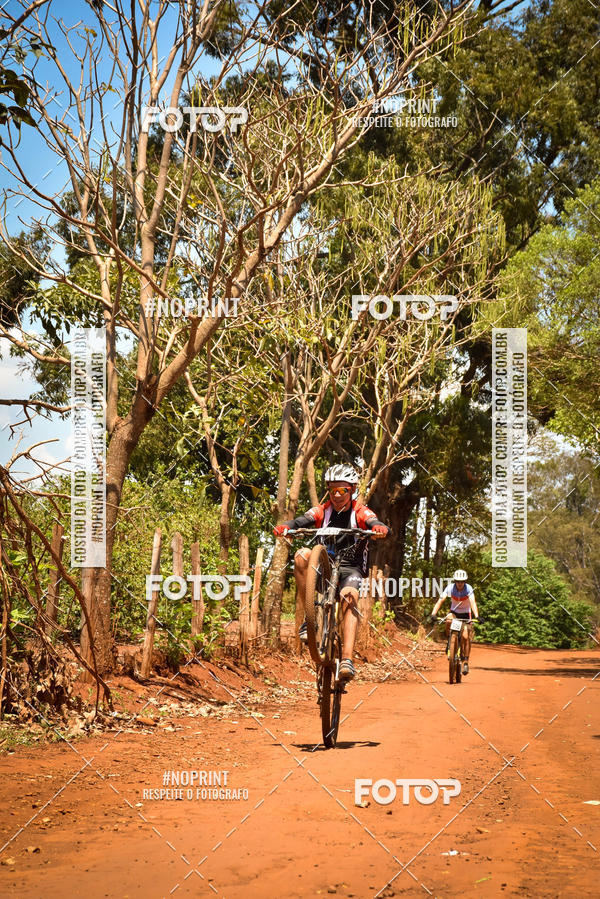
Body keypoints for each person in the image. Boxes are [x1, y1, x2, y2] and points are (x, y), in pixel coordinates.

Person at [273, 464, 389, 681]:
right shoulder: (322, 510)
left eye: (342, 490)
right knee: (301, 555)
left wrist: (378, 528)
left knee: (349, 597)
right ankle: (310, 618)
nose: (337, 495)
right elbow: (302, 520)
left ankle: (347, 660)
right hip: (324, 568)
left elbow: (373, 521)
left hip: (350, 568)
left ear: (352, 489)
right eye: (333, 490)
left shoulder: (360, 511)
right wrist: (287, 526)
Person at [429, 569, 479, 675]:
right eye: (457, 581)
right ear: (455, 581)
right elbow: (440, 601)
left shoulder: (469, 589)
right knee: (448, 620)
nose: (460, 584)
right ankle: (450, 641)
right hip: (454, 612)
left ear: (465, 581)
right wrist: (433, 614)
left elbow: (473, 603)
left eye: (462, 581)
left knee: (465, 637)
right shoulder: (450, 588)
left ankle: (465, 661)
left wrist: (477, 616)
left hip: (466, 615)